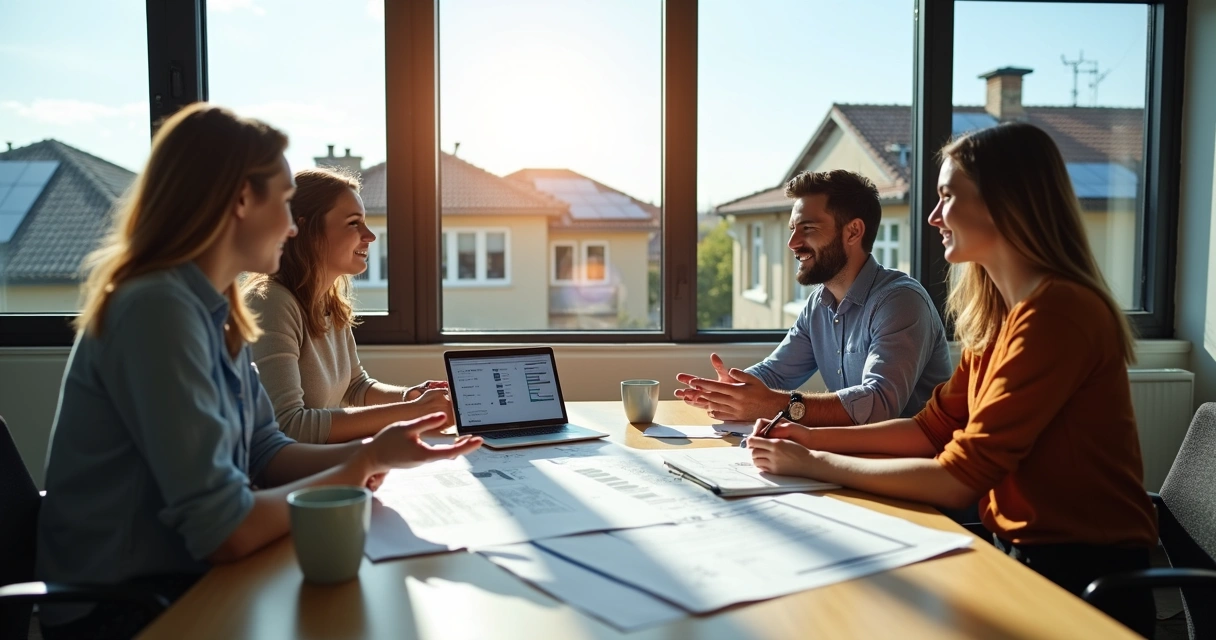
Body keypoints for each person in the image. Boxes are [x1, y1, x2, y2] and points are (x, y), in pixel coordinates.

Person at [35, 103, 482, 640]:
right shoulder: (156, 310)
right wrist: (361, 461)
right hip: (126, 605)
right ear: (242, 200)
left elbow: (266, 451)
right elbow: (224, 530)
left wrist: (379, 452)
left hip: (182, 576)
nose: (292, 226)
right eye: (287, 201)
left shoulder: (215, 310)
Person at [745, 123, 1157, 636]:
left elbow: (958, 477)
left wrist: (814, 461)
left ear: (1005, 203)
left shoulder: (1058, 314)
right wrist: (807, 436)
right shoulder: (1000, 317)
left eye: (947, 197)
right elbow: (929, 429)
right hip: (1019, 555)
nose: (934, 216)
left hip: (1081, 576)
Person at [676, 169, 952, 427]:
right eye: (792, 229)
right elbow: (776, 373)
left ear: (853, 232)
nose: (793, 243)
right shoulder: (818, 304)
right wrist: (733, 391)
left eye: (807, 229)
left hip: (913, 458)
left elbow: (879, 405)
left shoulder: (901, 302)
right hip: (852, 453)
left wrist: (774, 405)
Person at [243, 167, 451, 444]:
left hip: (324, 460)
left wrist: (410, 397)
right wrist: (413, 412)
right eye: (354, 223)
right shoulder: (270, 303)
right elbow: (289, 426)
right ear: (306, 229)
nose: (370, 235)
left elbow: (356, 387)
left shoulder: (329, 303)